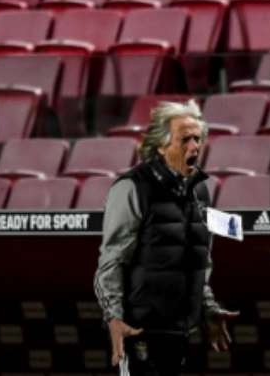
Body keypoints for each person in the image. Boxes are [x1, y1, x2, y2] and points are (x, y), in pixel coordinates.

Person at [94, 100, 239, 376]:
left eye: (198, 138)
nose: (195, 146)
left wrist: (207, 306)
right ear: (161, 146)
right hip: (139, 331)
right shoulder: (131, 188)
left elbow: (199, 259)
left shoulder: (200, 191)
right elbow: (111, 261)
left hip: (185, 331)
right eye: (185, 139)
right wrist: (114, 316)